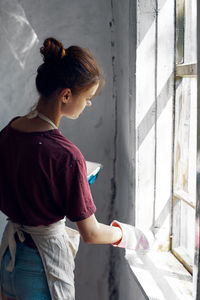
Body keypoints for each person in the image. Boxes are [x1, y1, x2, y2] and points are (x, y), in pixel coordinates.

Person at [0, 37, 151, 300]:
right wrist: (131, 235)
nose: (89, 104)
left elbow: (23, 180)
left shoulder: (10, 130)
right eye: (88, 97)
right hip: (42, 270)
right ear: (66, 95)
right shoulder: (67, 156)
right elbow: (90, 233)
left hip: (9, 263)